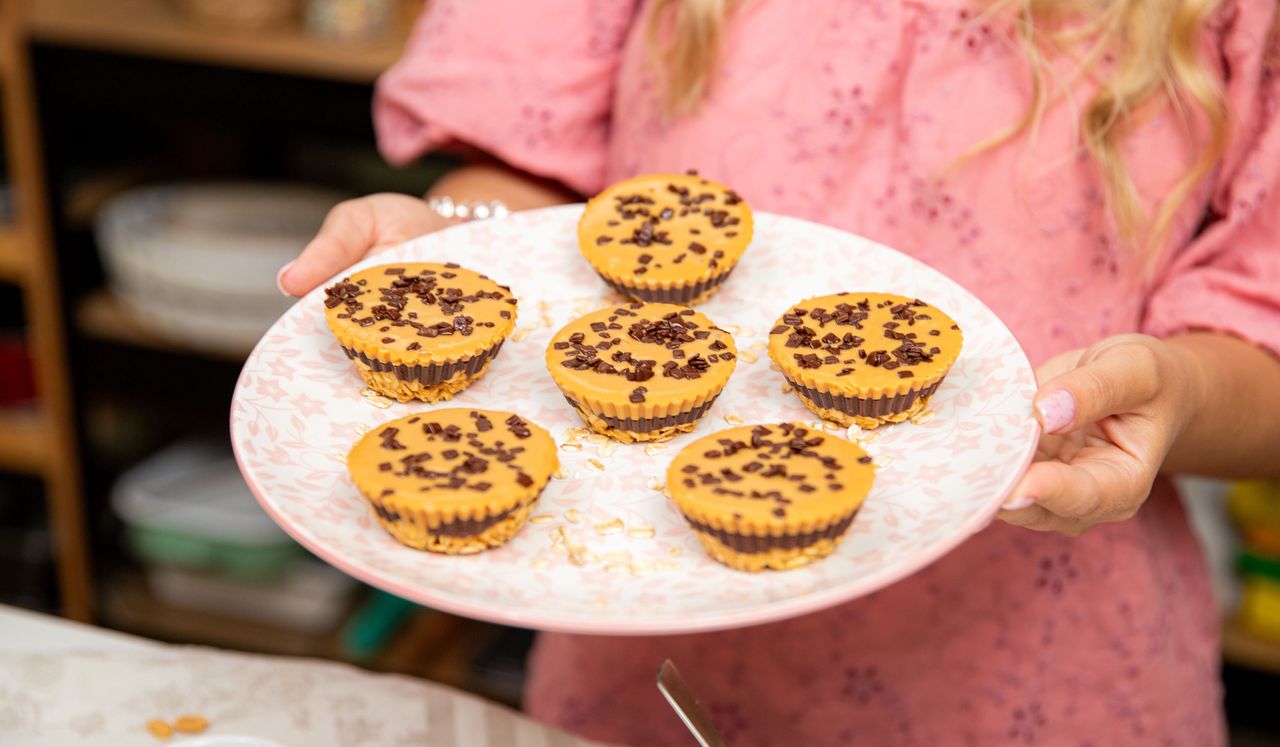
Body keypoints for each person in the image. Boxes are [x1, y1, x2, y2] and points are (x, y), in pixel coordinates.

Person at [278, 1, 1280, 743]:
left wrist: (1175, 389)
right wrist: (456, 244)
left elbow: (1258, 339)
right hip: (648, 639)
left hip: (1048, 664)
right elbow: (526, 176)